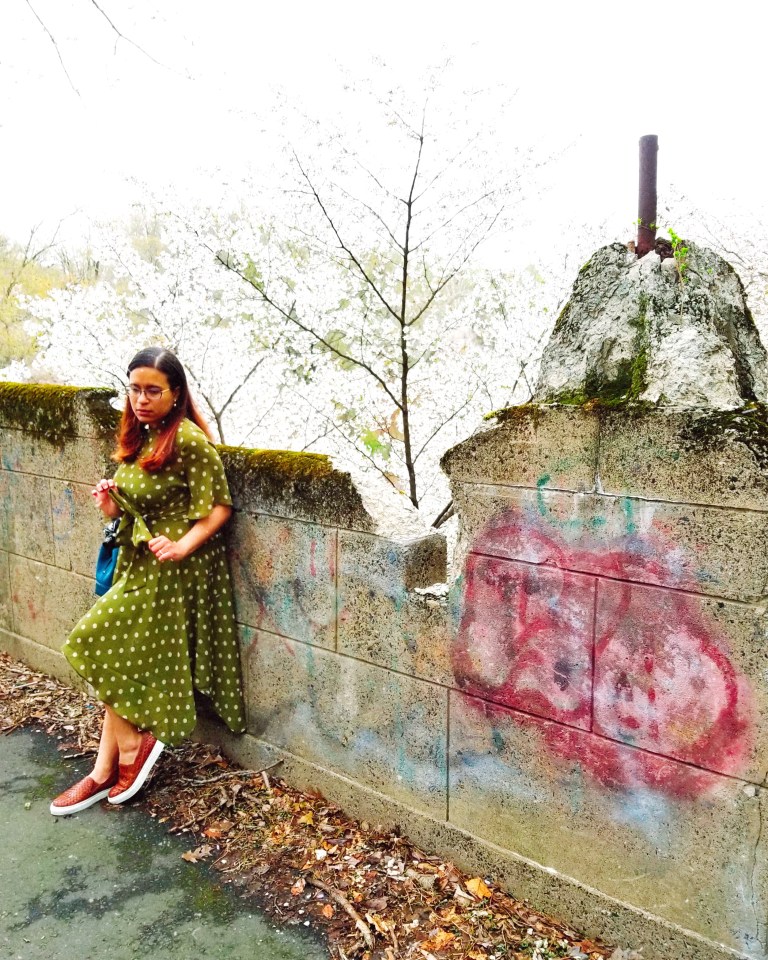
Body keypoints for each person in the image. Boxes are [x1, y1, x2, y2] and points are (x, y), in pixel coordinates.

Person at [50, 346, 245, 815]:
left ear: (175, 393)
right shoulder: (142, 436)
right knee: (117, 659)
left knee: (90, 642)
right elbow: (140, 501)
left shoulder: (189, 441)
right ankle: (103, 771)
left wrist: (181, 545)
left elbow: (219, 507)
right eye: (134, 388)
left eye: (153, 390)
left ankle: (134, 749)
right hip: (140, 563)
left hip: (176, 570)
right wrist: (113, 507)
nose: (141, 398)